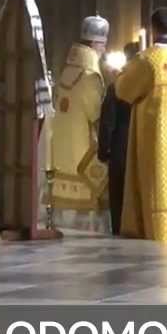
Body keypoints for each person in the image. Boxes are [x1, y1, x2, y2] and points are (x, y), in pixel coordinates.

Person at [115, 7, 167, 245]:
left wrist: (119, 74)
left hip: (153, 135)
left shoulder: (146, 59)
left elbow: (124, 91)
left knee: (155, 179)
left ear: (152, 28)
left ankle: (155, 230)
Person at [49, 15, 111, 232]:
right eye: (103, 45)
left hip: (62, 153)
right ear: (94, 44)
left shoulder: (66, 71)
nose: (104, 50)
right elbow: (97, 117)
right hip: (83, 153)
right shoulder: (90, 77)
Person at [97, 41, 140, 235]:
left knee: (118, 199)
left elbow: (108, 122)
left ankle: (118, 233)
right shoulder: (147, 85)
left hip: (120, 150)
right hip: (141, 150)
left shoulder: (116, 86)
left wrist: (103, 151)